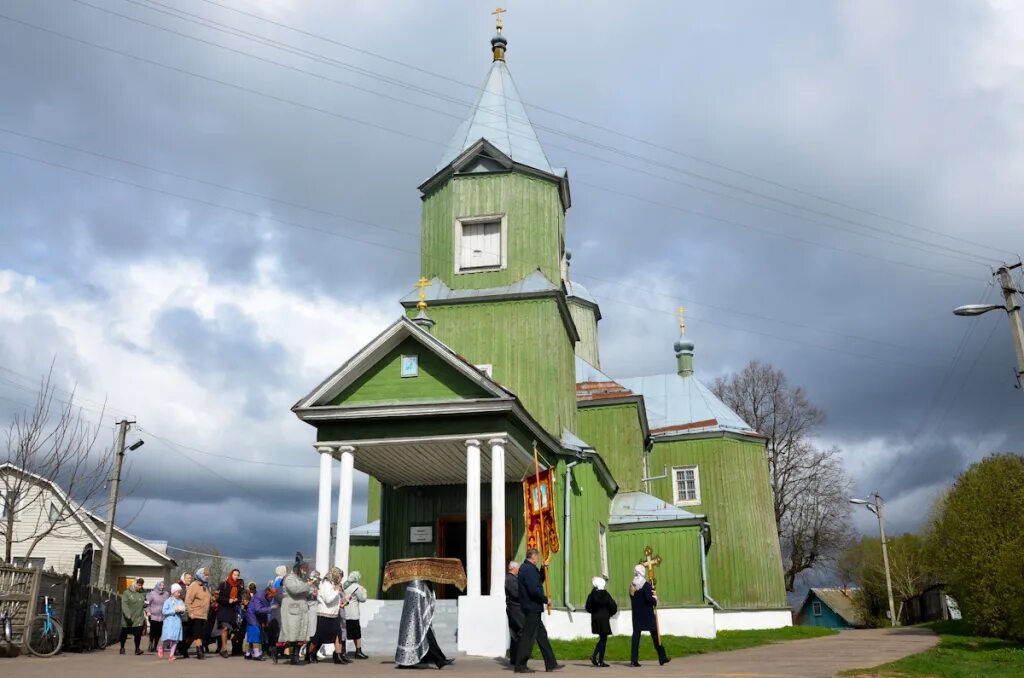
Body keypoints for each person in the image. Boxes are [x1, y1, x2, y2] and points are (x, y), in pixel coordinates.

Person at [514, 549, 561, 674]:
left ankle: (551, 663)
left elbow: (537, 581)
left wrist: (543, 569)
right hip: (532, 607)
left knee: (542, 636)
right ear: (533, 557)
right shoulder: (528, 569)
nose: (538, 559)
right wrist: (546, 599)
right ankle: (520, 665)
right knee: (528, 637)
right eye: (537, 557)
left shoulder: (528, 568)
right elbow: (534, 589)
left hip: (532, 607)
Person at [395, 579, 454, 669]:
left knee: (426, 633)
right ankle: (439, 660)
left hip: (417, 613)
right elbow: (418, 601)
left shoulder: (417, 580)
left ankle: (439, 658)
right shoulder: (416, 581)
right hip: (416, 614)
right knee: (425, 633)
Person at [628, 565, 669, 667]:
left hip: (637, 614)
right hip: (647, 614)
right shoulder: (645, 585)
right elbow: (648, 599)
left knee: (636, 637)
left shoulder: (632, 585)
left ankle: (634, 660)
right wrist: (654, 599)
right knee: (655, 635)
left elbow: (633, 597)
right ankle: (662, 657)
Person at [309, 567, 350, 665]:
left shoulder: (333, 585)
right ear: (335, 575)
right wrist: (336, 590)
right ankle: (311, 653)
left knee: (338, 635)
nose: (341, 579)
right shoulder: (325, 584)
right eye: (340, 577)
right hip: (324, 615)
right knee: (318, 638)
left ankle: (337, 655)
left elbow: (335, 599)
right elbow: (328, 599)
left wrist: (343, 600)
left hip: (334, 615)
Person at [280, 554, 313, 665]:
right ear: (298, 569)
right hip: (292, 609)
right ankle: (275, 649)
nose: (304, 571)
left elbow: (304, 591)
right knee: (292, 634)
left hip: (301, 609)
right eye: (303, 569)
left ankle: (295, 657)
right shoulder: (289, 578)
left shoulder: (300, 579)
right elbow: (294, 589)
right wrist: (307, 585)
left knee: (300, 634)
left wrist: (311, 591)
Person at [584, 576, 616, 668]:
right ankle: (598, 659)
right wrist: (609, 613)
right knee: (603, 639)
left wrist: (594, 612)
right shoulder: (606, 594)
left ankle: (596, 658)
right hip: (604, 618)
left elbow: (587, 607)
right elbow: (613, 606)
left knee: (602, 638)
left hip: (595, 618)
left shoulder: (592, 595)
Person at [216, 568, 245, 658]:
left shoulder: (238, 586)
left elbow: (240, 598)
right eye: (234, 575)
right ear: (231, 575)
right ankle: (224, 649)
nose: (236, 577)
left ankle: (222, 649)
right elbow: (218, 597)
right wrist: (228, 600)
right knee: (224, 628)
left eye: (237, 575)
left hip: (233, 610)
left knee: (229, 630)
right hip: (224, 609)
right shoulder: (223, 584)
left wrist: (237, 600)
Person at [186, 567, 213, 660]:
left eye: (207, 575)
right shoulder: (194, 585)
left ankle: (183, 648)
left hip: (204, 615)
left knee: (191, 635)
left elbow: (208, 599)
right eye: (205, 574)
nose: (207, 576)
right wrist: (190, 612)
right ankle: (199, 652)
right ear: (200, 574)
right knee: (198, 634)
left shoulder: (206, 586)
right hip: (195, 614)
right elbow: (188, 600)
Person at [244, 584, 276, 661]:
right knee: (256, 634)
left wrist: (265, 621)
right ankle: (256, 654)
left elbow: (263, 609)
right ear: (268, 593)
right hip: (252, 616)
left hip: (257, 617)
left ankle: (248, 653)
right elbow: (258, 609)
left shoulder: (266, 597)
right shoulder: (259, 596)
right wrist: (271, 608)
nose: (272, 598)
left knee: (252, 635)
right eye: (272, 596)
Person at [342, 571, 369, 659]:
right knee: (357, 634)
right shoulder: (356, 587)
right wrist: (364, 591)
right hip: (353, 613)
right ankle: (358, 651)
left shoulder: (344, 586)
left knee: (344, 633)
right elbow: (363, 599)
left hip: (344, 611)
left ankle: (342, 651)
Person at [159, 583, 187, 661]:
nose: (179, 594)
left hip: (177, 622)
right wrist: (174, 610)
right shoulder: (168, 601)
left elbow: (183, 610)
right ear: (173, 592)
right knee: (168, 638)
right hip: (169, 622)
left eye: (179, 592)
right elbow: (164, 611)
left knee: (175, 639)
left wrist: (182, 611)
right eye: (177, 592)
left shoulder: (180, 601)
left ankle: (171, 655)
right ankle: (162, 647)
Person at [120, 578, 147, 655]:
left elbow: (143, 602)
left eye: (141, 585)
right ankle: (122, 647)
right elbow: (124, 604)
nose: (140, 587)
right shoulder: (127, 593)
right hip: (128, 617)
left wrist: (145, 605)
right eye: (138, 585)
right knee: (124, 633)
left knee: (138, 633)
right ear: (134, 584)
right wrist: (127, 613)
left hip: (138, 617)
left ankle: (137, 649)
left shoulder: (142, 593)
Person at [505, 561, 523, 662]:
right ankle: (517, 657)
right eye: (518, 568)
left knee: (515, 634)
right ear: (513, 568)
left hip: (513, 609)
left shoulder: (511, 579)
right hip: (515, 609)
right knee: (519, 632)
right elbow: (516, 594)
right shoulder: (510, 579)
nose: (519, 570)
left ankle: (514, 658)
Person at [145, 580, 169, 653]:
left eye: (163, 585)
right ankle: (150, 644)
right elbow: (147, 604)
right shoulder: (152, 593)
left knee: (159, 632)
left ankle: (155, 646)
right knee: (153, 631)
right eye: (160, 585)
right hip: (153, 616)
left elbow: (168, 603)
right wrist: (148, 611)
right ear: (157, 585)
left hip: (162, 616)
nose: (162, 587)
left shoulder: (166, 594)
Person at [175, 572, 193, 658]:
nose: (189, 579)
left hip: (190, 614)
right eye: (188, 578)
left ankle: (183, 649)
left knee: (189, 634)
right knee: (182, 633)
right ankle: (179, 649)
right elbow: (178, 598)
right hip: (181, 614)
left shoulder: (192, 587)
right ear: (183, 578)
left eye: (190, 578)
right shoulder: (179, 587)